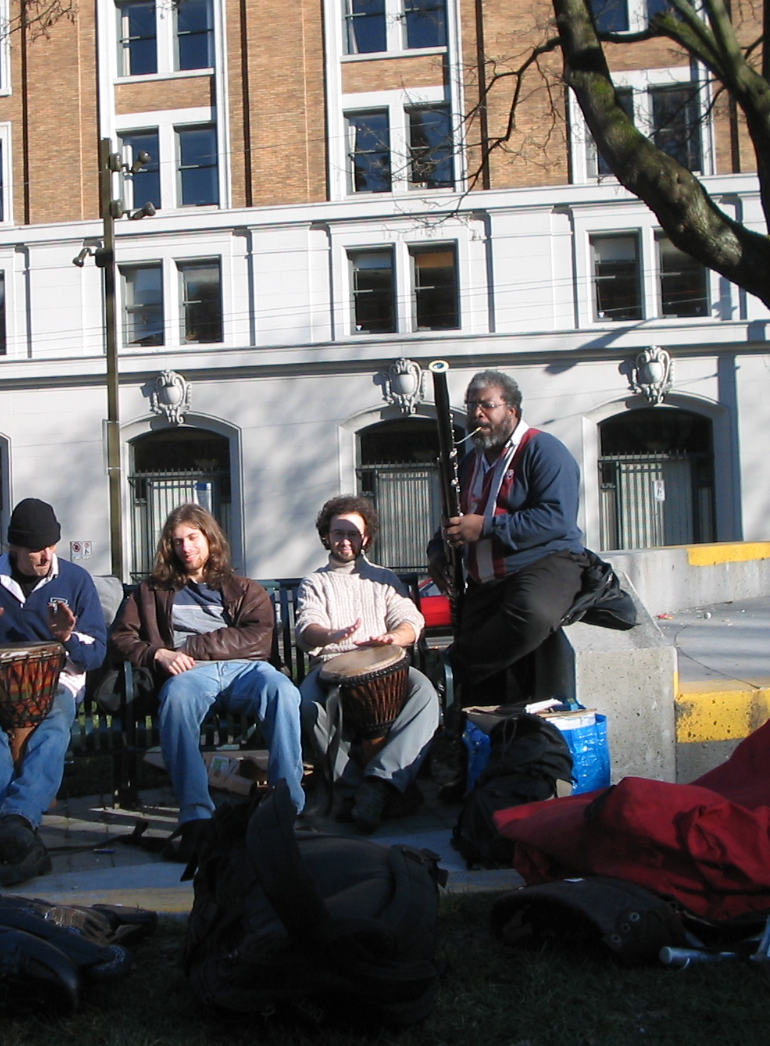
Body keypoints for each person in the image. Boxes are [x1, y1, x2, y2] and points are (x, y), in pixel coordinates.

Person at [109, 503, 304, 861]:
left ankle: (285, 806)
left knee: (282, 691)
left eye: (193, 538)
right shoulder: (150, 591)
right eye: (177, 540)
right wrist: (159, 654)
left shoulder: (244, 589)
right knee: (176, 700)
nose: (186, 547)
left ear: (210, 539)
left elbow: (259, 639)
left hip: (245, 669)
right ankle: (196, 816)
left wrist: (193, 644)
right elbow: (122, 638)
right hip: (188, 672)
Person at [0, 498, 108, 887]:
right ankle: (20, 839)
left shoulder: (75, 580)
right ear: (12, 548)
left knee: (52, 728)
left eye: (51, 546)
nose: (45, 555)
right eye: (35, 549)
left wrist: (66, 636)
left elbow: (97, 651)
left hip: (56, 682)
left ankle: (13, 823)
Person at [429, 369, 586, 707]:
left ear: (512, 410)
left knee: (532, 612)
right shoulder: (470, 460)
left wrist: (485, 528)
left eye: (486, 405)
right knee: (480, 676)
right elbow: (453, 518)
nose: (476, 414)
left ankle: (452, 668)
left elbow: (556, 518)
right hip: (487, 583)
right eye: (471, 405)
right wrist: (438, 551)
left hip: (544, 564)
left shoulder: (544, 450)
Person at [296, 495, 439, 833]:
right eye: (337, 533)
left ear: (366, 538)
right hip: (332, 669)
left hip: (386, 666)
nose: (344, 540)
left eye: (352, 534)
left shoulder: (383, 579)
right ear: (326, 536)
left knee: (425, 693)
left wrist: (396, 637)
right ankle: (351, 788)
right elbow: (306, 629)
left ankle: (380, 784)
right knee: (307, 704)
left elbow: (410, 620)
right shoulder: (315, 582)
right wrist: (331, 633)